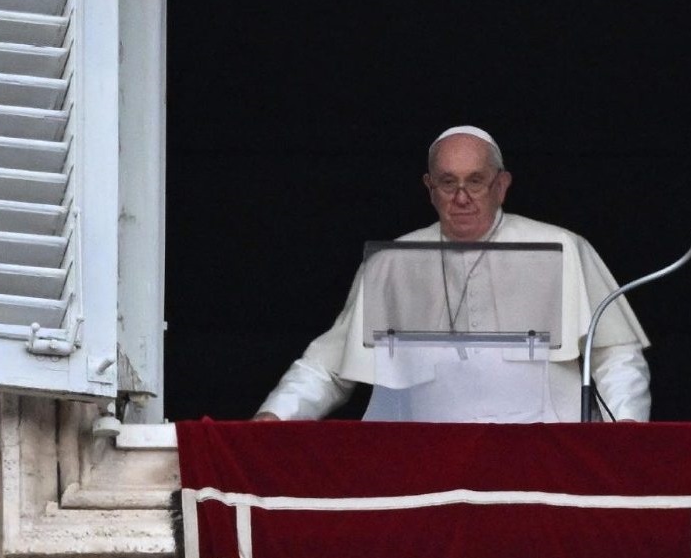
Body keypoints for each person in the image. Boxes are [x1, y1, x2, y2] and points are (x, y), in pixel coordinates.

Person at [254, 126, 650, 422]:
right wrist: (275, 416)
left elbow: (615, 353)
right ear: (430, 188)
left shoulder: (564, 248)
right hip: (427, 465)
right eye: (448, 182)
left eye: (475, 181)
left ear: (501, 185)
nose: (462, 197)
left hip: (542, 458)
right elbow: (329, 365)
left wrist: (624, 429)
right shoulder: (391, 263)